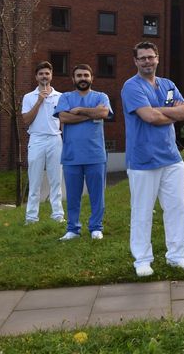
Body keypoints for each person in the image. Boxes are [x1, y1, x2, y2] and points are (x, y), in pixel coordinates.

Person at [121, 41, 184, 277]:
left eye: (150, 57)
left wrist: (161, 113)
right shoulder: (131, 87)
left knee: (176, 209)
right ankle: (142, 260)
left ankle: (177, 257)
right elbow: (148, 117)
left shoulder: (168, 85)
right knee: (142, 211)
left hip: (172, 158)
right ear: (135, 61)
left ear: (157, 59)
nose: (147, 62)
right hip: (143, 160)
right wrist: (167, 114)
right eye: (142, 58)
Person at [54, 64, 112, 241]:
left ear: (92, 78)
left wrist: (79, 111)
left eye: (86, 75)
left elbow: (104, 112)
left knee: (97, 194)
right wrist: (90, 115)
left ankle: (96, 227)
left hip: (95, 154)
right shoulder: (66, 97)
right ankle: (73, 229)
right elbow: (63, 117)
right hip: (71, 155)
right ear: (73, 79)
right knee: (72, 195)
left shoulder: (101, 96)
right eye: (79, 75)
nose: (82, 78)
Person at [21, 61, 65, 225]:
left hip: (55, 139)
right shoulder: (29, 97)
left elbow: (64, 119)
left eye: (47, 73)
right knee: (35, 180)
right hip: (37, 139)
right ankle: (31, 217)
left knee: (56, 180)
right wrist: (39, 101)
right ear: (36, 77)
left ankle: (58, 216)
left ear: (51, 75)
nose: (44, 76)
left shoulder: (60, 97)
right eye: (41, 74)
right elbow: (26, 120)